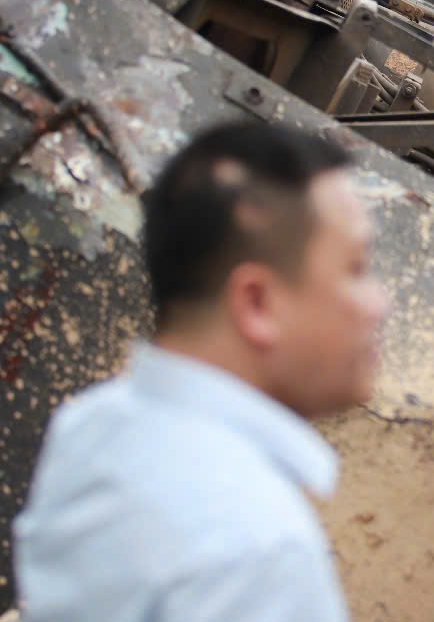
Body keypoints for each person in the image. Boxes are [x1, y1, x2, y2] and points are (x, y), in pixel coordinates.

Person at [14, 122, 390, 621]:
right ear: (257, 303)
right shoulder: (260, 551)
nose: (380, 303)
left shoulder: (91, 422)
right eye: (356, 269)